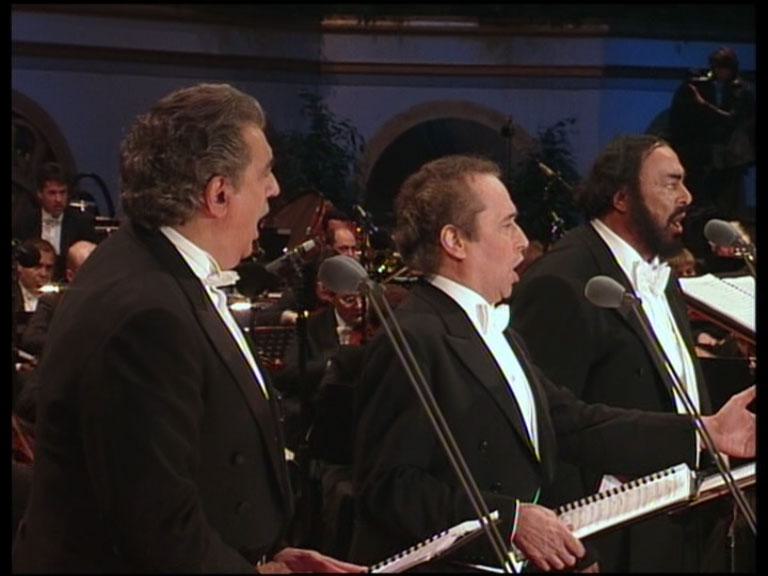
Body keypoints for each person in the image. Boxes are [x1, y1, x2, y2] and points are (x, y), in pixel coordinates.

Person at [12, 83, 364, 574]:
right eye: (264, 172)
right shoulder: (144, 313)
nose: (274, 189)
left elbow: (202, 463)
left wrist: (264, 556)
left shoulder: (150, 266)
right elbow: (156, 530)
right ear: (218, 194)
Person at [349, 155, 755, 572]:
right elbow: (387, 488)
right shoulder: (413, 336)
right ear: (455, 241)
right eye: (507, 225)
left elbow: (573, 423)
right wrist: (510, 521)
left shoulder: (496, 330)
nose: (523, 242)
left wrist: (705, 432)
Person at [510, 135, 741, 571]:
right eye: (670, 183)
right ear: (622, 197)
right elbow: (544, 423)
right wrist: (575, 549)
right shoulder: (562, 279)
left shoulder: (660, 276)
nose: (687, 197)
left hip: (681, 524)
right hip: (612, 537)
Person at [669, 47, 755, 255]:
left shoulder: (742, 89)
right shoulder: (717, 86)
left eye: (720, 68)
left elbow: (731, 119)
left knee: (730, 203)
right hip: (715, 154)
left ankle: (732, 248)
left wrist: (703, 104)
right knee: (711, 202)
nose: (716, 73)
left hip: (733, 154)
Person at [12, 162, 98, 280]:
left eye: (62, 192)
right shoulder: (24, 221)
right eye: (52, 193)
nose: (58, 199)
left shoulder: (81, 223)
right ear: (40, 193)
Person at [20, 240, 98, 356]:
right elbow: (31, 339)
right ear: (70, 275)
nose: (43, 274)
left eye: (49, 268)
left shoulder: (110, 300)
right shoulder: (53, 300)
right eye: (38, 266)